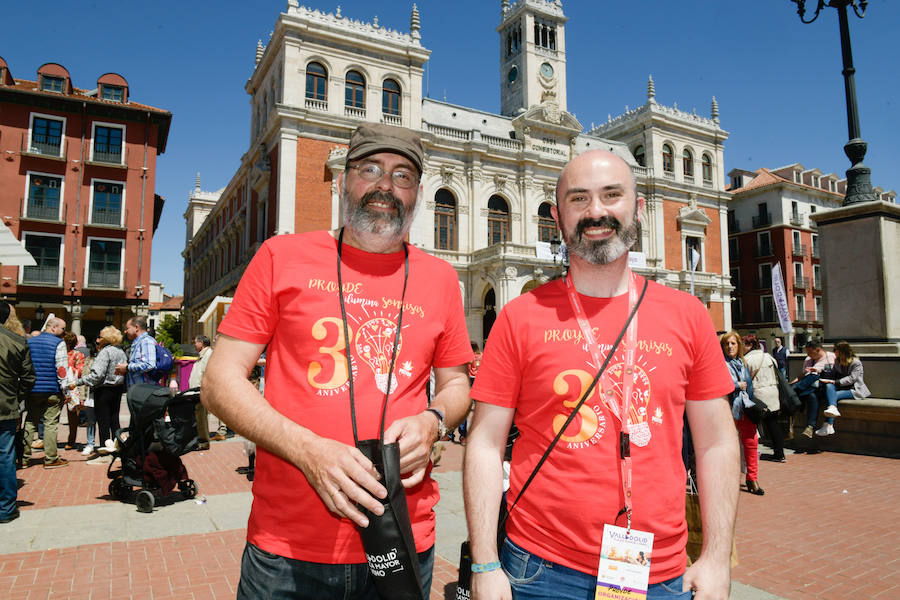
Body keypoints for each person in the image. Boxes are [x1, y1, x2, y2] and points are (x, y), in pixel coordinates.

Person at [202, 122, 473, 599]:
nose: (385, 186)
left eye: (403, 175)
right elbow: (220, 381)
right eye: (371, 169)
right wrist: (308, 451)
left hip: (403, 541)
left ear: (418, 193)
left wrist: (433, 421)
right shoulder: (279, 256)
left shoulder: (441, 279)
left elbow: (457, 386)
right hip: (289, 550)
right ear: (343, 178)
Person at [463, 150, 739, 600]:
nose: (596, 212)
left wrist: (715, 557)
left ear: (638, 207)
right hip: (539, 570)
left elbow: (717, 442)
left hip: (660, 572)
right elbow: (485, 443)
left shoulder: (688, 316)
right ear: (557, 217)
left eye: (612, 195)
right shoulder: (519, 317)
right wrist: (485, 563)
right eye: (579, 199)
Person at [0, 302, 36, 523]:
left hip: (7, 404)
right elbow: (29, 378)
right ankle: (5, 508)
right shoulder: (17, 341)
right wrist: (16, 396)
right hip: (5, 406)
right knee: (5, 456)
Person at [23, 316, 69, 469]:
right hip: (52, 390)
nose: (64, 332)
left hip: (33, 389)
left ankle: (24, 457)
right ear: (53, 327)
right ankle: (51, 458)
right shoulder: (58, 343)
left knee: (30, 421)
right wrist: (66, 390)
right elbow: (61, 369)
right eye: (62, 328)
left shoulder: (30, 341)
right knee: (51, 423)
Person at [73, 326, 127, 458]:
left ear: (106, 338)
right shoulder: (120, 351)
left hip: (103, 390)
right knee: (115, 420)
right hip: (117, 388)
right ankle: (117, 449)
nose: (98, 339)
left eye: (100, 337)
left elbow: (96, 375)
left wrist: (78, 382)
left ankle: (105, 452)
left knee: (103, 422)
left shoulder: (105, 352)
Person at [721, 331, 763, 495]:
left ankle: (752, 478)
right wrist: (737, 385)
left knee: (751, 442)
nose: (730, 347)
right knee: (727, 446)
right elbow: (720, 386)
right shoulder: (719, 364)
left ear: (738, 346)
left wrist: (751, 405)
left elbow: (750, 386)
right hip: (727, 409)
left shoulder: (742, 362)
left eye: (733, 343)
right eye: (727, 344)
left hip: (744, 406)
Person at [742, 334, 785, 463]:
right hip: (773, 393)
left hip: (758, 395)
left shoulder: (747, 360)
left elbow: (745, 378)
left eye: (743, 344)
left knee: (752, 425)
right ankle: (780, 453)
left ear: (749, 345)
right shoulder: (769, 357)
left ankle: (753, 453)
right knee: (773, 424)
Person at [816, 341, 870, 437]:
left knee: (833, 396)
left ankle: (828, 424)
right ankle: (831, 413)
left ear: (841, 350)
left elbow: (852, 378)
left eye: (835, 349)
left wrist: (836, 382)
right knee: (829, 386)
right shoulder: (837, 361)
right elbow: (832, 373)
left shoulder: (856, 362)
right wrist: (821, 370)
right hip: (840, 387)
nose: (833, 352)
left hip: (854, 390)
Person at [793, 340, 836, 439]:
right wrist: (795, 381)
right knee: (812, 395)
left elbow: (833, 373)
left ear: (818, 350)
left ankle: (795, 390)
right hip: (810, 387)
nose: (808, 355)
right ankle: (810, 427)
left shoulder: (830, 357)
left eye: (810, 353)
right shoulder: (808, 359)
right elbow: (803, 375)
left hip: (824, 385)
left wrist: (819, 371)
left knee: (813, 379)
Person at [115, 316, 158, 386]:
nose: (125, 331)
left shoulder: (146, 341)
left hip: (145, 391)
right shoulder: (138, 343)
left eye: (127, 328)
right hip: (137, 390)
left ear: (136, 327)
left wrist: (127, 367)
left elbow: (149, 364)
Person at [189, 335, 213, 450]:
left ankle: (203, 442)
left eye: (195, 342)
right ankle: (200, 440)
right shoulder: (202, 355)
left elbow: (208, 373)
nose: (194, 345)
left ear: (201, 343)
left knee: (201, 416)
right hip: (196, 390)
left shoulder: (208, 354)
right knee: (198, 416)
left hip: (201, 390)